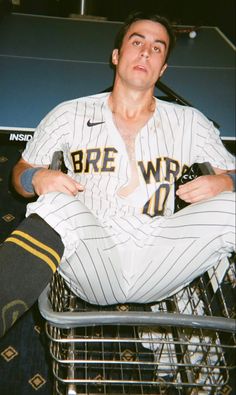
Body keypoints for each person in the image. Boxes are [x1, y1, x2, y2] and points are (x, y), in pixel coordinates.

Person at [0, 11, 235, 338]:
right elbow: (20, 174)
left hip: (161, 253)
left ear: (163, 68)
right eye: (137, 42)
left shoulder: (191, 122)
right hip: (95, 253)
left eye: (157, 48)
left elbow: (233, 174)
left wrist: (225, 181)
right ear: (116, 55)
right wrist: (34, 178)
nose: (145, 52)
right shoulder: (70, 113)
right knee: (54, 203)